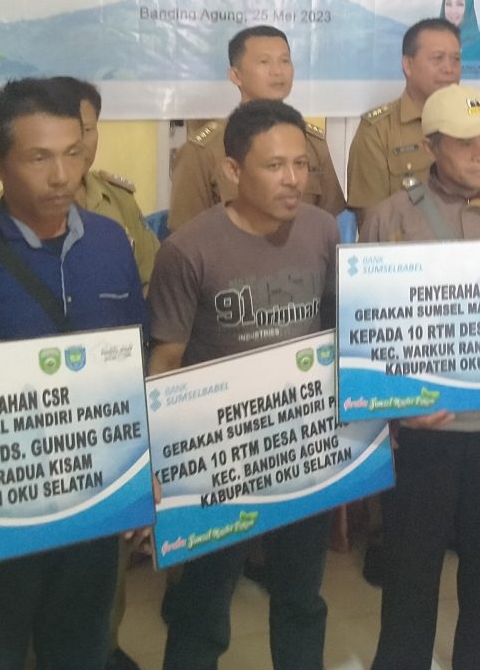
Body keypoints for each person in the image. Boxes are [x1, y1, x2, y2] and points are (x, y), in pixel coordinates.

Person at [0, 78, 148, 670]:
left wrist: (146, 477)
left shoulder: (110, 243)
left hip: (93, 508)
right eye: (39, 158)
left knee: (81, 652)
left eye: (73, 152)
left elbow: (134, 367)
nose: (62, 176)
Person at [149, 100, 340, 670]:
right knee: (204, 602)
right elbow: (166, 361)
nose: (293, 179)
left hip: (303, 441)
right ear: (232, 171)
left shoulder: (322, 229)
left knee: (301, 594)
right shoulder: (188, 250)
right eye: (274, 166)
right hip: (219, 454)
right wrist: (162, 461)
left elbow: (337, 329)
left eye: (301, 165)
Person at [362, 84, 480, 670]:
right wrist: (393, 411)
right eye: (465, 144)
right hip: (423, 432)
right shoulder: (390, 218)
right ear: (431, 146)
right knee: (410, 573)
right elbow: (368, 328)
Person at [0, 76, 158, 291]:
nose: (60, 176)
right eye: (40, 158)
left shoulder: (117, 208)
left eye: (87, 130)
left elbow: (151, 278)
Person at [169, 26, 345, 232]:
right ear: (236, 75)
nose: (277, 71)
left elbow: (331, 222)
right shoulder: (202, 151)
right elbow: (186, 235)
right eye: (264, 62)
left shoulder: (312, 143)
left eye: (285, 61)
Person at [347, 18, 480, 228]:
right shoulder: (378, 131)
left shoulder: (477, 122)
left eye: (456, 59)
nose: (449, 69)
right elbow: (373, 222)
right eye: (438, 58)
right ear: (408, 65)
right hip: (412, 242)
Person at [440, 0, 480, 79]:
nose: (453, 11)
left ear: (468, 7)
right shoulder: (433, 42)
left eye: (459, 4)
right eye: (448, 4)